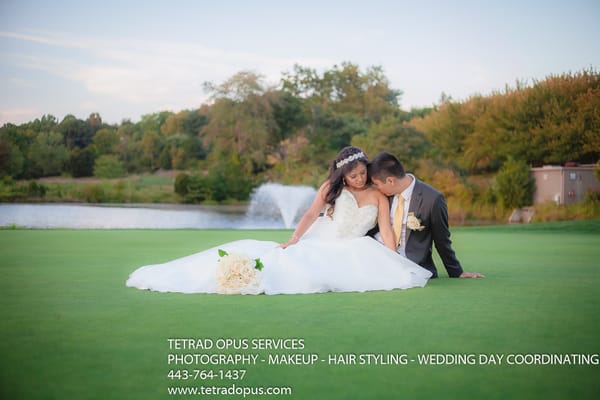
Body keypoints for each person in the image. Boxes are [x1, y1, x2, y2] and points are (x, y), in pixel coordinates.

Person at [126, 146, 432, 294]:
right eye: (352, 175)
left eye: (362, 173)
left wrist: (393, 259)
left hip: (355, 246)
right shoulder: (331, 188)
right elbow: (312, 214)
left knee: (344, 274)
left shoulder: (379, 195)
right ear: (342, 175)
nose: (359, 178)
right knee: (288, 262)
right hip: (324, 238)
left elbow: (386, 231)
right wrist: (294, 239)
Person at [368, 152, 484, 279]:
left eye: (378, 184)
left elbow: (442, 239)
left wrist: (456, 272)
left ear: (390, 181)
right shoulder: (384, 196)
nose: (377, 189)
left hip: (412, 265)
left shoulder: (432, 199)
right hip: (377, 256)